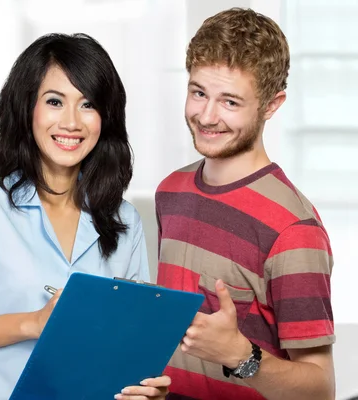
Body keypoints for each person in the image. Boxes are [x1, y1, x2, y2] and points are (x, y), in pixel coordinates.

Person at [0, 33, 171, 400]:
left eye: (88, 104)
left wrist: (144, 389)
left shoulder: (124, 220)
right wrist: (32, 323)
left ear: (105, 117)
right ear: (27, 106)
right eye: (54, 101)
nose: (72, 122)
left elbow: (128, 339)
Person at [154, 8, 335, 400]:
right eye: (198, 92)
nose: (206, 116)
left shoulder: (293, 228)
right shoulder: (170, 192)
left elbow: (320, 389)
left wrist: (240, 354)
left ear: (271, 105)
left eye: (230, 102)